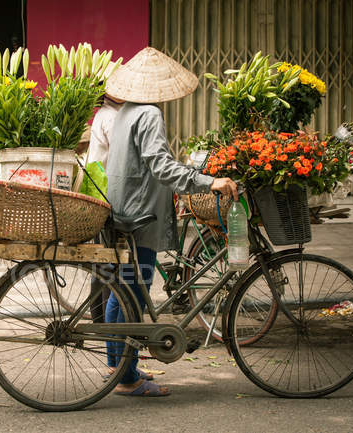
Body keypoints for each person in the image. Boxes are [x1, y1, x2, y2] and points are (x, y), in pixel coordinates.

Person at [103, 47, 238, 397]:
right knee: (133, 292)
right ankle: (128, 377)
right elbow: (161, 167)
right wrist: (210, 181)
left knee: (122, 290)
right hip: (140, 216)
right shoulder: (149, 114)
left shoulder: (125, 112)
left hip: (123, 210)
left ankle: (118, 367)